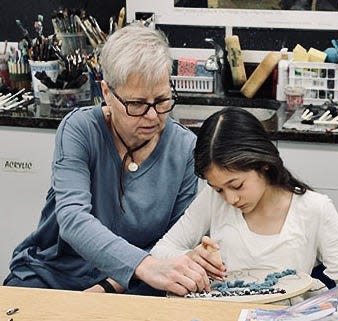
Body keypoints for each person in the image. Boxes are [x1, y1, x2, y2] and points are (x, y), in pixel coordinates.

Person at [3, 25, 210, 296]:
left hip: (135, 283)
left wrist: (110, 285)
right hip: (55, 273)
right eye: (136, 104)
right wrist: (144, 265)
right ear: (107, 92)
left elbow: (174, 240)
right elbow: (73, 219)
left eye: (161, 100)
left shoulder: (184, 148)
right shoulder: (79, 129)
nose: (151, 116)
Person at [151, 107, 338, 302]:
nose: (230, 199)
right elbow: (161, 252)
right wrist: (189, 258)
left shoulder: (314, 210)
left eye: (237, 186)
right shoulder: (213, 200)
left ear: (264, 164)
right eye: (219, 188)